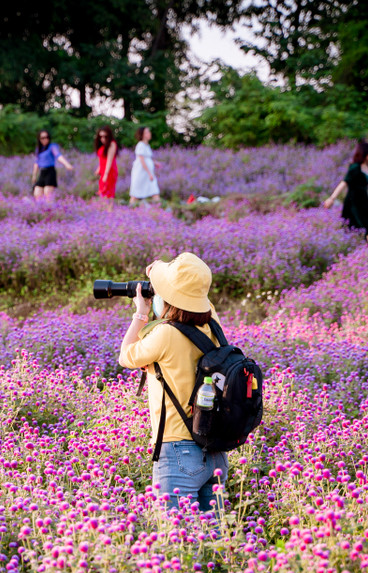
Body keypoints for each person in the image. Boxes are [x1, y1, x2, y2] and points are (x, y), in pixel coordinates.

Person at [118, 252, 228, 512]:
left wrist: (141, 313)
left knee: (176, 541)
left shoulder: (166, 334)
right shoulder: (213, 325)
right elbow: (198, 299)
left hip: (178, 450)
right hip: (215, 449)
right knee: (214, 541)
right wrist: (164, 279)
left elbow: (126, 356)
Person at [323, 140, 368, 240]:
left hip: (363, 203)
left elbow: (364, 184)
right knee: (365, 228)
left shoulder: (367, 167)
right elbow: (344, 182)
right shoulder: (355, 167)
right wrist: (332, 198)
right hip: (353, 203)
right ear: (364, 153)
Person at [31, 130, 73, 200]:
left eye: (47, 137)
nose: (45, 139)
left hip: (50, 172)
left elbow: (58, 156)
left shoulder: (52, 146)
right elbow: (36, 163)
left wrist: (66, 164)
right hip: (42, 173)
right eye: (43, 138)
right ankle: (40, 210)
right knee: (37, 193)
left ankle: (50, 209)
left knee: (48, 194)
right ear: (39, 139)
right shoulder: (38, 149)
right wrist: (34, 175)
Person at [129, 126, 161, 204]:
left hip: (147, 173)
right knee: (136, 193)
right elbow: (142, 160)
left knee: (154, 190)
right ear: (142, 135)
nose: (149, 133)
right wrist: (149, 173)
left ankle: (159, 210)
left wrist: (154, 163)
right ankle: (129, 209)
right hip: (141, 173)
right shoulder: (140, 145)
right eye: (147, 132)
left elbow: (147, 158)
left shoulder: (146, 145)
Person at [93, 126, 118, 201]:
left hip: (109, 170)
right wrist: (98, 169)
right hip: (103, 170)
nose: (102, 139)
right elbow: (101, 160)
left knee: (109, 191)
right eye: (101, 137)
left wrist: (106, 174)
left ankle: (109, 210)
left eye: (105, 137)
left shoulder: (112, 144)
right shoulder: (102, 146)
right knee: (102, 192)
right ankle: (104, 210)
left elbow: (109, 160)